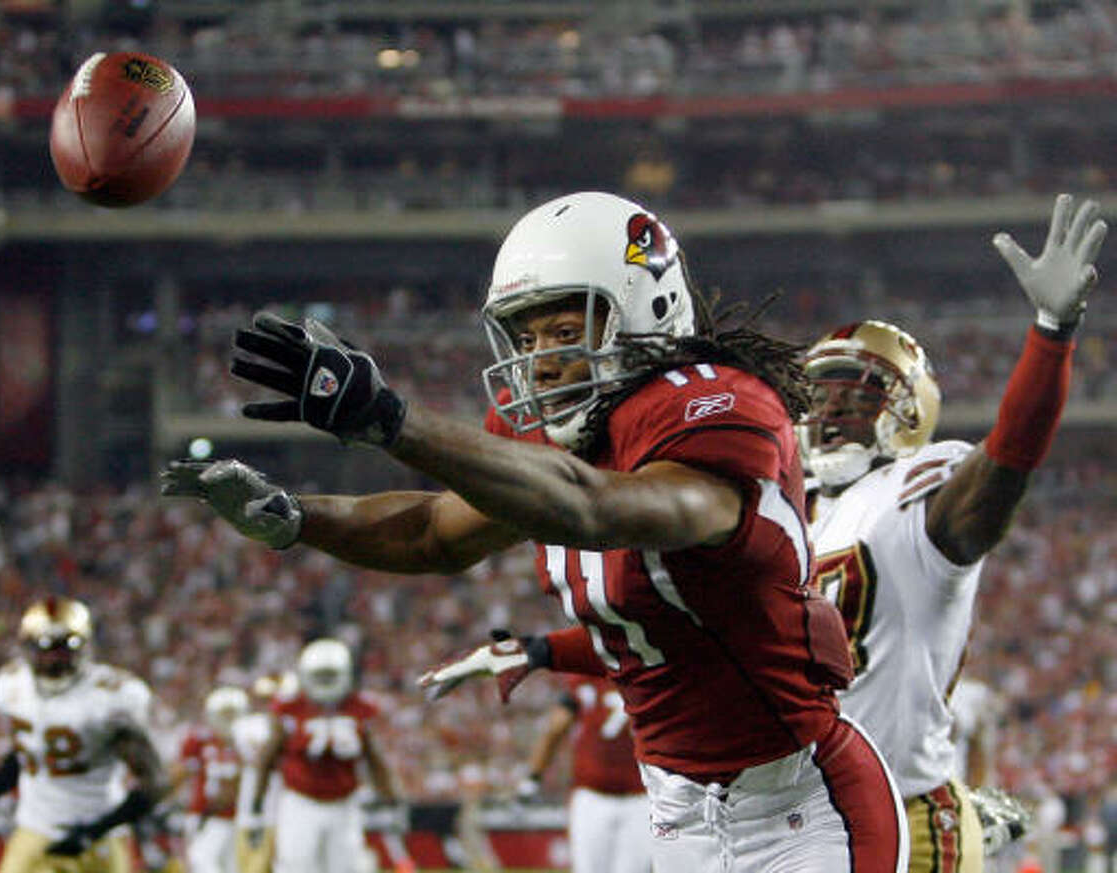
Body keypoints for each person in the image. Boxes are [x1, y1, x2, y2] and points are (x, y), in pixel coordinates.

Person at [164, 191, 909, 872]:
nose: (541, 362)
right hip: (678, 816)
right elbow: (432, 530)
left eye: (563, 329)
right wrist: (295, 518)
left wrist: (389, 420)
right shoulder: (549, 438)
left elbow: (591, 506)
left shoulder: (719, 409)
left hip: (804, 808)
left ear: (644, 308)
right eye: (525, 340)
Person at [796, 193, 1105, 873]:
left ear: (906, 409)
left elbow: (1009, 459)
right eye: (821, 391)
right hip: (797, 818)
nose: (834, 403)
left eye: (861, 388)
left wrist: (1050, 332)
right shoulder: (786, 514)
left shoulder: (916, 487)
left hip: (902, 813)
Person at [0, 596, 166, 873]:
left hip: (100, 839)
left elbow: (155, 782)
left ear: (85, 646)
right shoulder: (12, 687)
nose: (53, 658)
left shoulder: (109, 697)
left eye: (63, 647)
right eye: (43, 648)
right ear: (26, 648)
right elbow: (27, 752)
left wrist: (94, 831)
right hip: (35, 831)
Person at [245, 639, 398, 873]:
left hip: (344, 803)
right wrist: (256, 807)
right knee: (297, 865)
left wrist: (390, 799)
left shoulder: (359, 707)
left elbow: (374, 759)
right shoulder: (289, 707)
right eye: (320, 676)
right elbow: (266, 760)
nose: (325, 682)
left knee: (346, 867)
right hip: (301, 803)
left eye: (330, 675)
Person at [517, 674, 652, 873]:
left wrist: (533, 777)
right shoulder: (648, 676)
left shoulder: (585, 679)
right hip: (640, 797)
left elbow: (556, 727)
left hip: (594, 795)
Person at [175, 686, 249, 873]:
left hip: (236, 816)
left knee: (228, 866)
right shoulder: (200, 739)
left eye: (232, 714)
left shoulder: (248, 739)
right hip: (205, 814)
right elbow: (179, 771)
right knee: (200, 861)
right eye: (224, 714)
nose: (228, 719)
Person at [231, 676, 282, 873]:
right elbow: (254, 758)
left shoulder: (280, 722)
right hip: (253, 796)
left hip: (277, 796)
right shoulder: (246, 724)